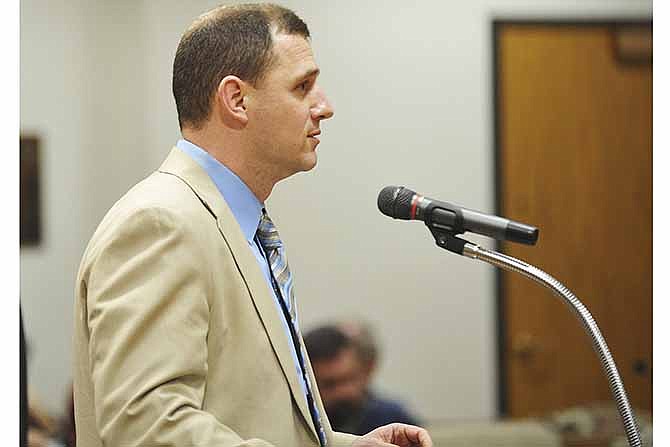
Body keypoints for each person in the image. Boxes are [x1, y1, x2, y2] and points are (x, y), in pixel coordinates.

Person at [72, 3, 432, 447]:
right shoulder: (161, 223)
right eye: (303, 87)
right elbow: (147, 428)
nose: (325, 108)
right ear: (236, 100)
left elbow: (249, 415)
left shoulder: (238, 224)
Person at [305, 324, 420, 435]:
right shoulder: (301, 426)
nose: (344, 392)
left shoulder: (393, 421)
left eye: (350, 379)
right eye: (330, 384)